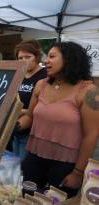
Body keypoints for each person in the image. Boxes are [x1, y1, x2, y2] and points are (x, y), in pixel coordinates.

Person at [18, 41, 99, 197]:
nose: (46, 61)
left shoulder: (88, 91)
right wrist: (13, 126)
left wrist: (78, 172)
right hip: (34, 158)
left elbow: (92, 135)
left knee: (58, 200)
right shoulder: (41, 85)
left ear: (70, 59)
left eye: (52, 56)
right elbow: (29, 116)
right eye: (47, 57)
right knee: (27, 198)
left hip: (66, 165)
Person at [12, 40, 47, 160]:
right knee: (13, 167)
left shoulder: (45, 76)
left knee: (23, 168)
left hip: (32, 133)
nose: (23, 61)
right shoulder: (18, 75)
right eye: (20, 57)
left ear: (37, 57)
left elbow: (45, 107)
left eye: (28, 57)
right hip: (14, 130)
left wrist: (23, 111)